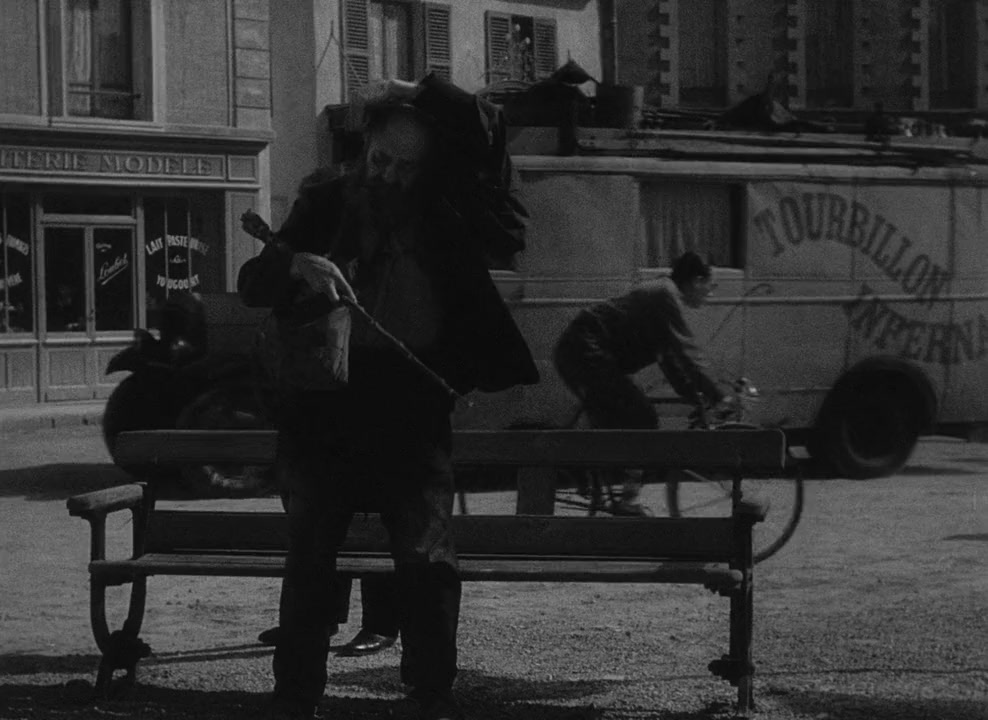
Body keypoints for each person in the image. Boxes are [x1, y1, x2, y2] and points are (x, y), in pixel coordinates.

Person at [237, 73, 539, 720]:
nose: (389, 174)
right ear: (365, 145)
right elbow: (254, 282)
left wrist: (427, 89)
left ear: (428, 166)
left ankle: (430, 692)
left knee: (427, 556)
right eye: (380, 159)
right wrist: (295, 264)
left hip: (412, 404)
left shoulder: (452, 208)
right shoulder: (325, 199)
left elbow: (489, 140)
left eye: (405, 166)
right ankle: (294, 696)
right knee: (311, 554)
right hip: (326, 405)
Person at [242, 195, 401, 660]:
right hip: (307, 404)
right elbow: (252, 286)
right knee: (310, 520)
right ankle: (317, 616)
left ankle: (381, 622)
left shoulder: (381, 240)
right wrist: (293, 264)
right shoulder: (298, 247)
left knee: (370, 517)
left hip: (368, 401)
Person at [553, 251, 725, 515]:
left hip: (584, 352)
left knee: (621, 417)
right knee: (642, 417)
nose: (709, 295)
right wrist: (719, 395)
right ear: (696, 281)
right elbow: (687, 352)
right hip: (585, 352)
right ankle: (622, 496)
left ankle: (590, 471)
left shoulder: (663, 295)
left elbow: (673, 365)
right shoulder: (665, 295)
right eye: (710, 287)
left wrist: (697, 397)